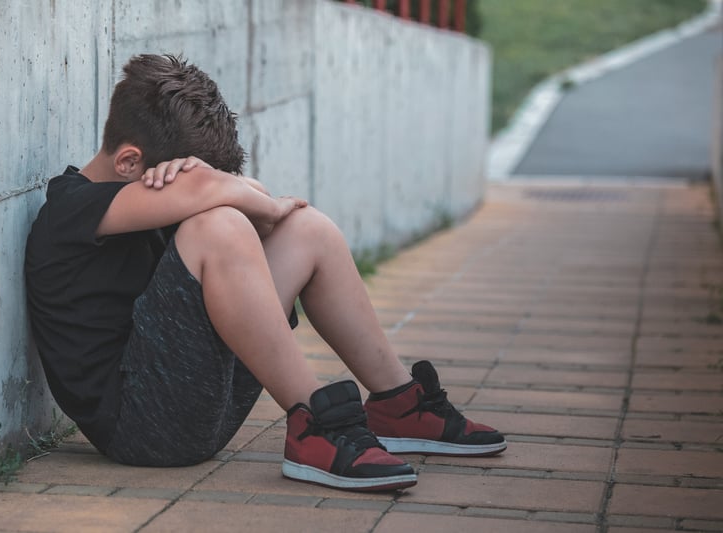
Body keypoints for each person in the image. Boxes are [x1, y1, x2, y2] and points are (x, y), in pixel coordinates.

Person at [25, 54, 506, 492]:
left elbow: (238, 192)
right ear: (130, 162)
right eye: (188, 175)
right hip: (145, 428)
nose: (198, 184)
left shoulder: (156, 192)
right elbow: (224, 203)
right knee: (219, 226)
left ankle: (399, 404)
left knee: (308, 229)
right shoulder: (70, 209)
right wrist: (250, 201)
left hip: (205, 396)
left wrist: (230, 189)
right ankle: (315, 421)